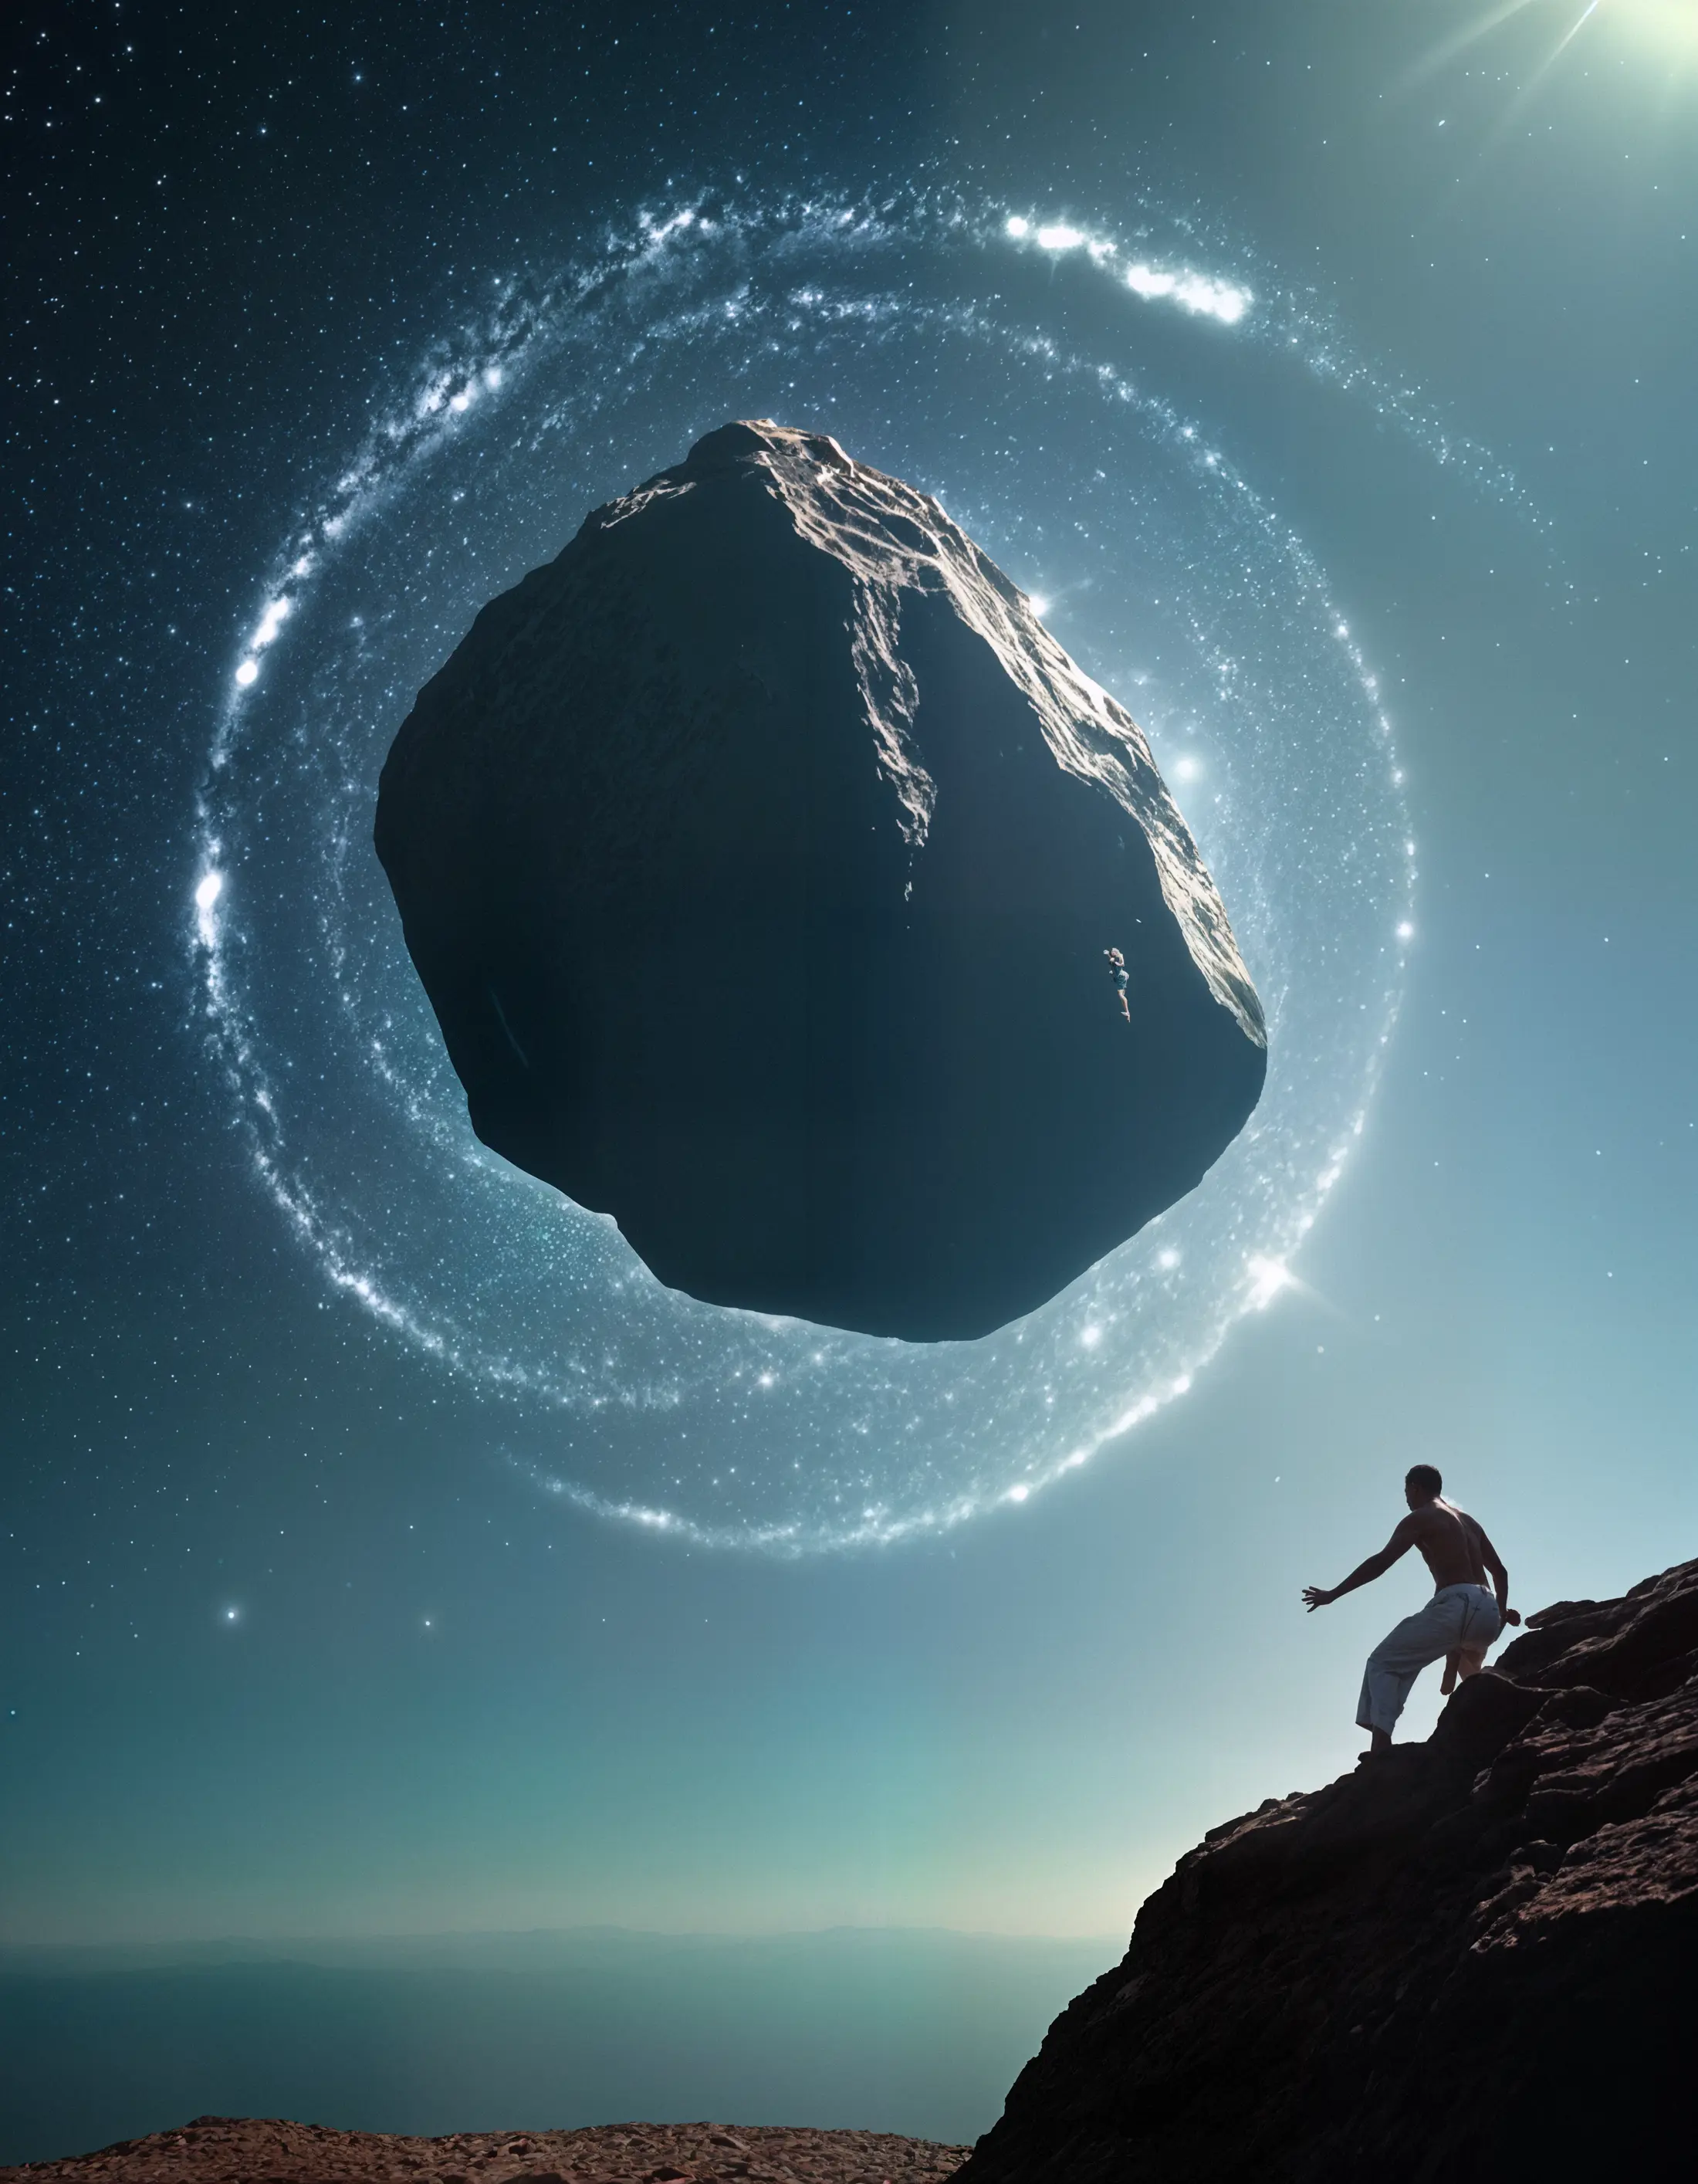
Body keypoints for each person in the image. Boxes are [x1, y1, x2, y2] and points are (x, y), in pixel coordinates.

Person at [1302, 1464, 1520, 1756]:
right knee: (1471, 1677)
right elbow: (1501, 1573)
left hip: (1457, 1605)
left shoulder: (1420, 1518)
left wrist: (1334, 1594)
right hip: (1487, 1610)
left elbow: (1380, 1563)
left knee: (1384, 1662)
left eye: (1406, 1491)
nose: (1406, 1499)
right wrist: (1499, 1618)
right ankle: (1500, 1724)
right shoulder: (1470, 1522)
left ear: (1415, 1487)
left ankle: (1381, 1746)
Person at [1103, 946, 1131, 1023]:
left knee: (1121, 995)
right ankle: (1128, 1013)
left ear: (1116, 952)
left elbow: (1122, 964)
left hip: (1122, 976)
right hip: (1119, 979)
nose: (1112, 954)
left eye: (1113, 952)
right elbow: (1111, 962)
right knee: (1120, 995)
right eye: (1112, 953)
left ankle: (1128, 1013)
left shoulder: (1119, 956)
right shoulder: (1113, 961)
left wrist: (1117, 963)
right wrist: (1108, 955)